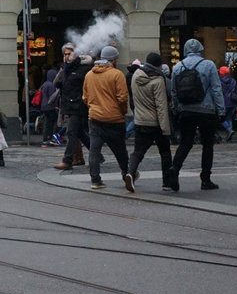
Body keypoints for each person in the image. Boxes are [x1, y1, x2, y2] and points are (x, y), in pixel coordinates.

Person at [170, 38, 224, 191]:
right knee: (208, 144)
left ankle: (175, 168)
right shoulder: (209, 65)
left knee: (185, 143)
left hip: (186, 111)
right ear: (201, 49)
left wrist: (177, 108)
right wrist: (221, 110)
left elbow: (174, 92)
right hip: (206, 110)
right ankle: (205, 179)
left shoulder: (178, 67)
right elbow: (216, 89)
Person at [82, 45, 132, 191]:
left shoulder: (89, 75)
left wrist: (93, 108)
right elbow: (123, 98)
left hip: (95, 118)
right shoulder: (117, 75)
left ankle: (95, 180)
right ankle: (126, 174)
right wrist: (121, 112)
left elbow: (85, 98)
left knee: (94, 150)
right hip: (114, 118)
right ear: (114, 59)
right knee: (120, 150)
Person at [129, 51, 174, 191]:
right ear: (159, 65)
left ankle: (130, 173)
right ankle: (167, 183)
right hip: (155, 123)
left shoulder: (136, 75)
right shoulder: (158, 80)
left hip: (140, 120)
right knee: (165, 153)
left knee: (138, 152)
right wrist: (166, 129)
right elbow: (161, 106)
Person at [53, 44, 92, 171]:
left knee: (71, 132)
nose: (67, 56)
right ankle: (98, 155)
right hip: (69, 105)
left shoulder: (83, 68)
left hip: (78, 105)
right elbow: (57, 83)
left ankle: (67, 160)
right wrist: (63, 69)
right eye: (65, 54)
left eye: (69, 54)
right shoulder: (66, 68)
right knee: (79, 132)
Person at [38, 68, 60, 146]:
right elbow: (52, 97)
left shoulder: (45, 84)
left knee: (47, 123)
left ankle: (46, 139)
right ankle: (51, 137)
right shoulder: (51, 85)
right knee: (55, 122)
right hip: (50, 106)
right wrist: (55, 106)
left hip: (44, 106)